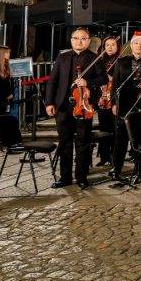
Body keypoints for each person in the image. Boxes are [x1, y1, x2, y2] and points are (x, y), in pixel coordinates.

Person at [45, 28, 100, 189]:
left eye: (83, 38)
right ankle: (65, 178)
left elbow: (102, 79)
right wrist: (49, 103)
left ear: (88, 41)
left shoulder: (94, 58)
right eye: (76, 38)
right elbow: (52, 81)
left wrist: (87, 83)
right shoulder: (62, 57)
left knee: (83, 143)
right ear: (71, 40)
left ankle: (82, 177)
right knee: (65, 143)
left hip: (83, 106)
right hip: (63, 106)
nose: (79, 41)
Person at [110, 34, 141, 180]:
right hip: (124, 103)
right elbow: (115, 85)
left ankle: (140, 167)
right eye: (136, 43)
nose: (139, 46)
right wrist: (114, 103)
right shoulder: (121, 62)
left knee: (140, 136)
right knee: (120, 138)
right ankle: (117, 168)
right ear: (131, 46)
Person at [95, 36, 121, 166]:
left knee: (115, 129)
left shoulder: (121, 61)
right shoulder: (99, 61)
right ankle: (104, 156)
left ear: (118, 47)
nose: (110, 47)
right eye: (107, 45)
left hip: (115, 99)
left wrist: (112, 78)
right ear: (103, 47)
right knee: (103, 128)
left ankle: (115, 156)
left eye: (113, 45)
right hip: (102, 98)